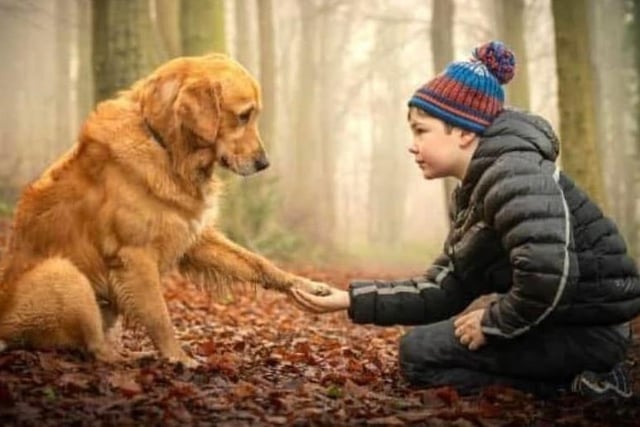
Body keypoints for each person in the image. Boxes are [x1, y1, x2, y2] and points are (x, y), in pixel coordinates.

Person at [290, 41, 640, 399]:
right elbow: (444, 287)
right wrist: (348, 299)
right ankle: (577, 383)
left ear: (463, 131)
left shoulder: (515, 175)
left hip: (588, 331)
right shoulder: (477, 191)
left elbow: (549, 276)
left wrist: (493, 322)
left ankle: (590, 383)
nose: (412, 144)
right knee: (419, 352)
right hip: (558, 321)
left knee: (422, 358)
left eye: (421, 130)